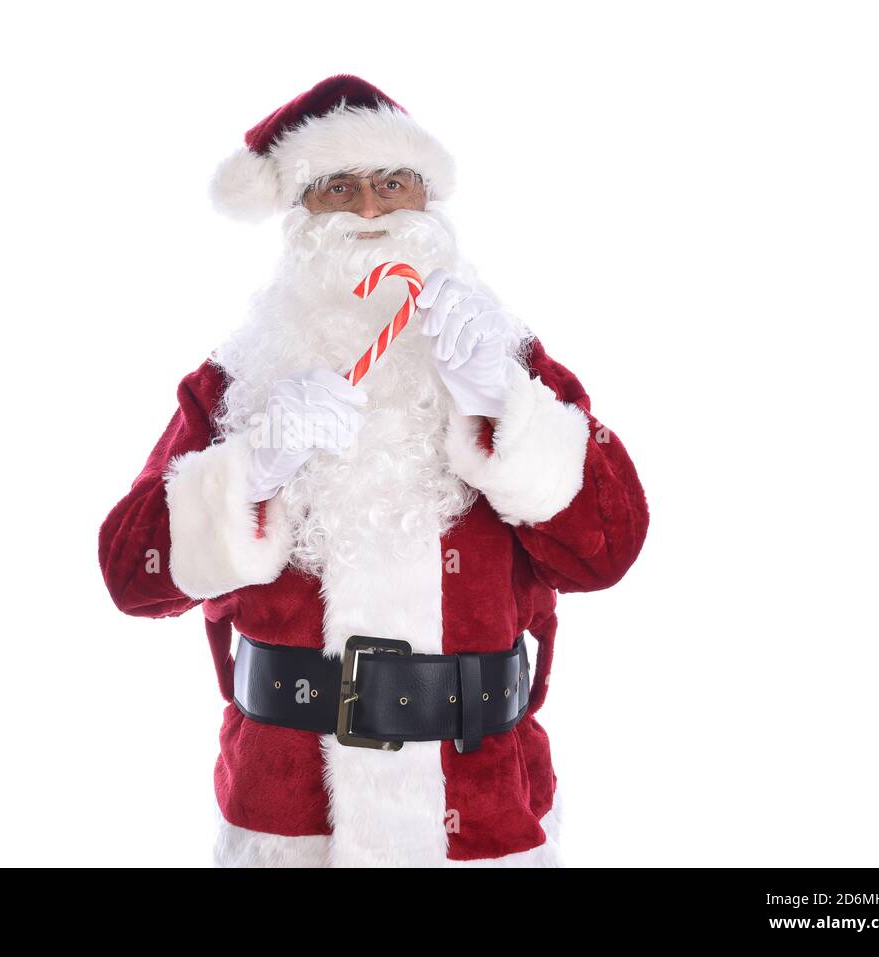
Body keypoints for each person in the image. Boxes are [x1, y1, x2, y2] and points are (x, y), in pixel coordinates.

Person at [99, 74, 649, 867]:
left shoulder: (508, 362)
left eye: (392, 184)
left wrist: (506, 405)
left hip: (485, 815)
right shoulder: (240, 381)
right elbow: (130, 573)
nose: (368, 210)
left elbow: (610, 550)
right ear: (298, 214)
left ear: (428, 202)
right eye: (337, 188)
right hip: (290, 824)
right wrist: (252, 468)